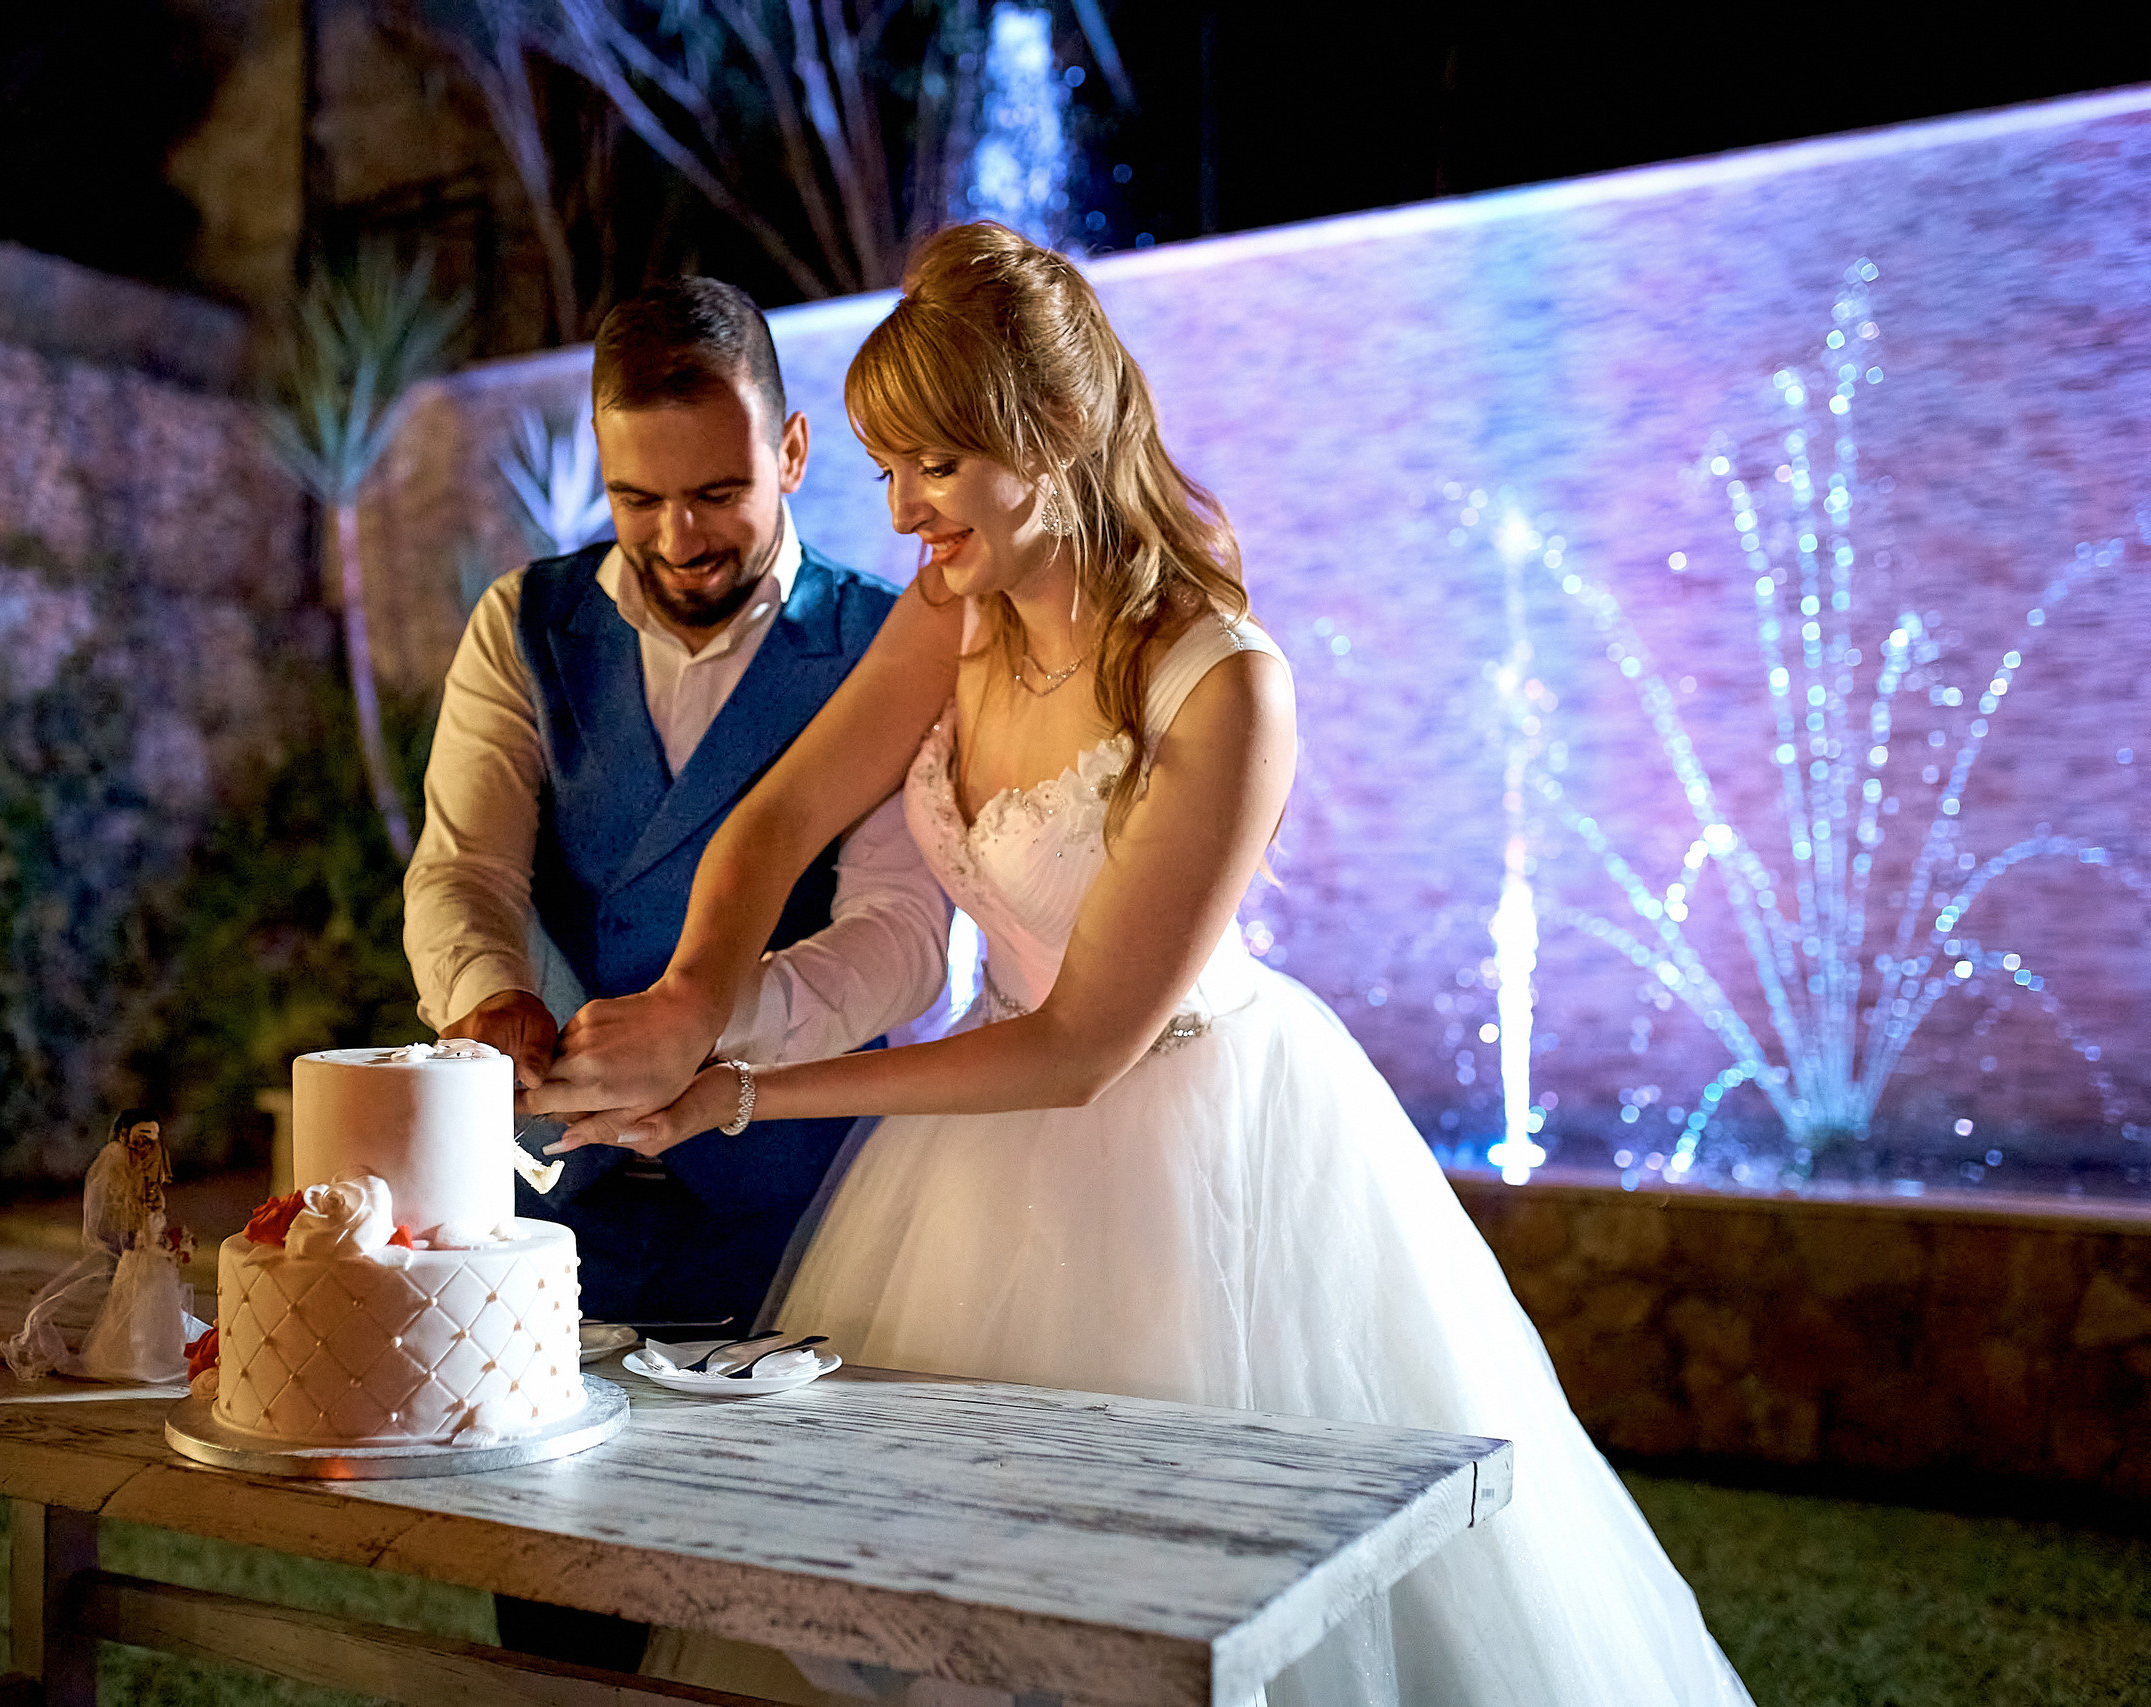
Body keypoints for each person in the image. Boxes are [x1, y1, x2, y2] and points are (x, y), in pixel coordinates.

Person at [530, 226, 1752, 1707]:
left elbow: (1076, 1049)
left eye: (932, 465)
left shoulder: (1227, 686)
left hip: (1185, 1143)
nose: (900, 507)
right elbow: (782, 810)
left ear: (1045, 437)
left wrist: (731, 1094)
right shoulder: (952, 605)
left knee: (1162, 1600)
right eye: (890, 463)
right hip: (967, 1154)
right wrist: (687, 998)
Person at [405, 277, 949, 1331]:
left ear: (790, 453)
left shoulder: (895, 645)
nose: (677, 539)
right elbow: (465, 867)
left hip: (799, 1202)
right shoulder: (522, 622)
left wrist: (692, 1028)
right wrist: (488, 995)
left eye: (716, 492)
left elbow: (901, 936)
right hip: (544, 1199)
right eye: (636, 500)